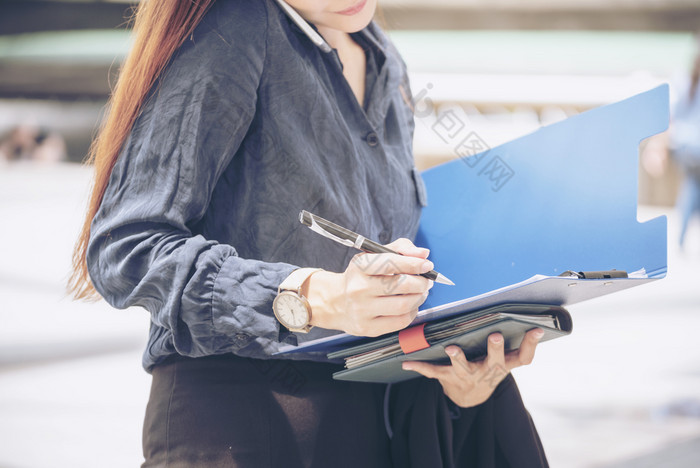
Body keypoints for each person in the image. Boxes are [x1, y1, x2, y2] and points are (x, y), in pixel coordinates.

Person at [69, 1, 548, 466]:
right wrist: (314, 298)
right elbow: (126, 248)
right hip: (243, 425)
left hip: (374, 427)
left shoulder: (383, 57)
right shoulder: (234, 28)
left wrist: (461, 372)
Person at [669, 48, 700, 249]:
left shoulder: (687, 81)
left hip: (686, 149)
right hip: (694, 148)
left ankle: (680, 239)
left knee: (691, 187)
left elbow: (673, 117)